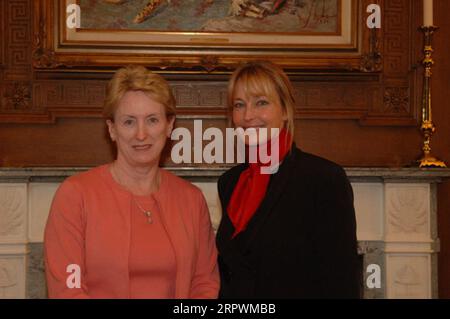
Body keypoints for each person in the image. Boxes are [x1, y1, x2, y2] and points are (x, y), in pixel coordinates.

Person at [44, 65, 219, 298]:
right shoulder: (75, 195)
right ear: (112, 129)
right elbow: (68, 287)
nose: (141, 134)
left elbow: (204, 283)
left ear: (169, 126)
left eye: (152, 120)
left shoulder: (191, 199)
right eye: (128, 122)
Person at [216, 61, 361, 298]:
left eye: (261, 103)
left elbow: (341, 280)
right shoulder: (230, 183)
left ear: (285, 110)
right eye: (239, 105)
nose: (248, 115)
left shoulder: (323, 179)